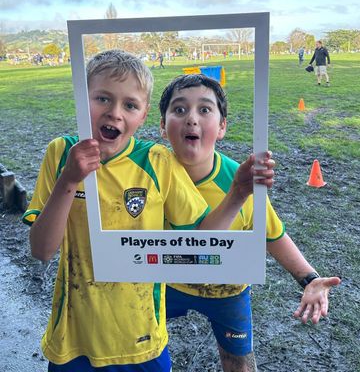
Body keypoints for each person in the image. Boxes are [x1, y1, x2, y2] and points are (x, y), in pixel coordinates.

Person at [22, 50, 274, 372]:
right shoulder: (61, 153)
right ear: (81, 99)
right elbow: (42, 250)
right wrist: (70, 180)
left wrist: (238, 193)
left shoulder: (157, 161)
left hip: (144, 343)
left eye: (130, 105)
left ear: (142, 117)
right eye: (102, 98)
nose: (114, 113)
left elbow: (201, 240)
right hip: (74, 340)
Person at [159, 74, 341, 372]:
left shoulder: (242, 180)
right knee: (138, 347)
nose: (191, 118)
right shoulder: (149, 176)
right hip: (166, 284)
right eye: (179, 110)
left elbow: (272, 234)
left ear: (222, 127)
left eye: (204, 110)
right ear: (163, 128)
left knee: (239, 363)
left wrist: (310, 279)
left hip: (226, 289)